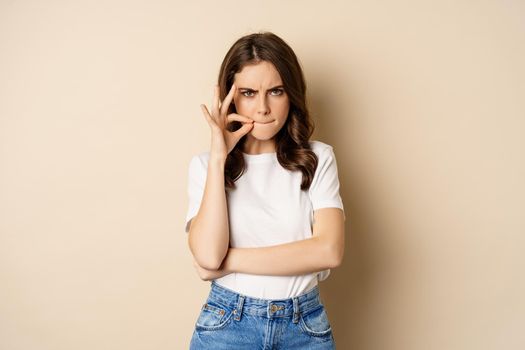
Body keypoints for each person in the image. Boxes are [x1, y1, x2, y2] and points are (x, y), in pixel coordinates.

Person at [184, 31, 346, 349]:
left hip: (304, 327)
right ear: (229, 97)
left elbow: (329, 251)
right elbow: (206, 253)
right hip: (228, 324)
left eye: (275, 91)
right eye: (248, 92)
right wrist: (219, 158)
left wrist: (226, 262)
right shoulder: (206, 166)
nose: (262, 108)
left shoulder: (317, 158)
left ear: (292, 94)